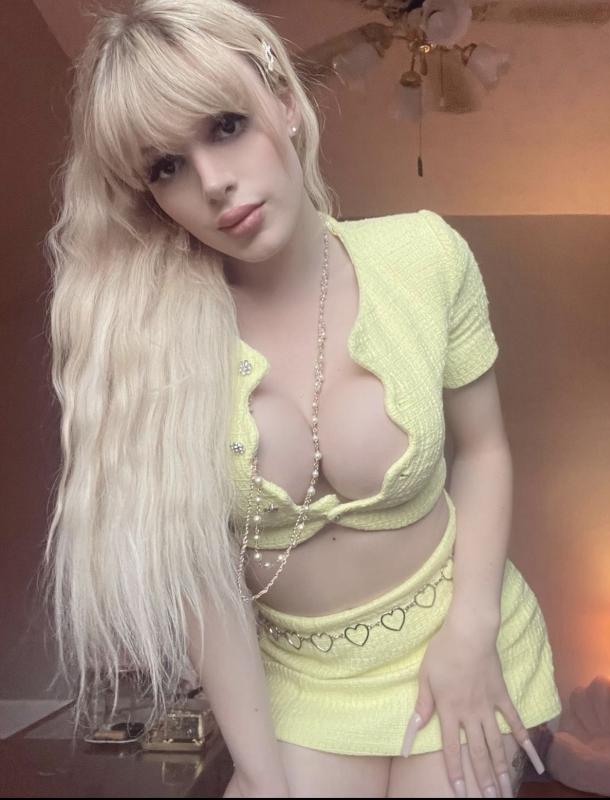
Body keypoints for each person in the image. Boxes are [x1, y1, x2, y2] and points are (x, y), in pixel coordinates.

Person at [40, 0, 562, 796]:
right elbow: (203, 585)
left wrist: (470, 633)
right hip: (299, 686)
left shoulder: (423, 255)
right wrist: (261, 774)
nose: (213, 182)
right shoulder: (153, 347)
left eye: (224, 126)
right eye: (165, 167)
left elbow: (485, 451)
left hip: (455, 638)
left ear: (283, 101)